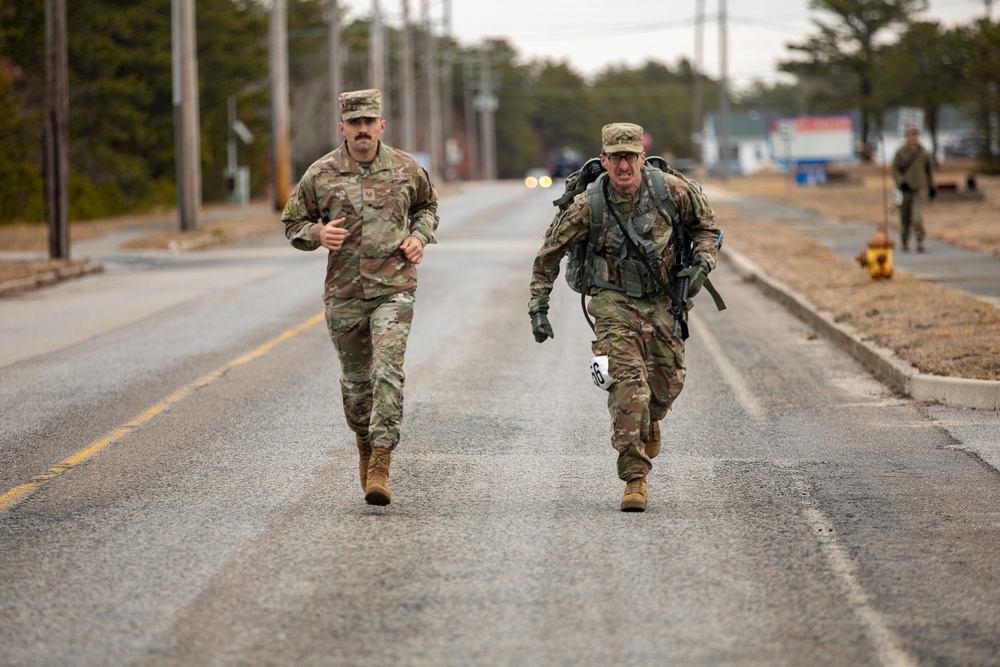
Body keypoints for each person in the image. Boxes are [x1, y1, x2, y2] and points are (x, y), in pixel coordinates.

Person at [528, 123, 723, 512]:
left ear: (639, 157)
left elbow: (707, 229)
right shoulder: (589, 204)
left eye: (629, 157)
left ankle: (651, 420)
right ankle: (634, 478)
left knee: (667, 385)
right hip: (612, 302)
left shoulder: (670, 190)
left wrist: (702, 264)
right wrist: (539, 306)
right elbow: (548, 254)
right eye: (615, 158)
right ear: (604, 160)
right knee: (628, 386)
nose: (623, 166)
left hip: (663, 300)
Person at [282, 88, 439, 506]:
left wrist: (419, 237)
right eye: (355, 123)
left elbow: (428, 208)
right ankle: (365, 443)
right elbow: (292, 222)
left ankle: (382, 463)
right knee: (357, 388)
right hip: (345, 295)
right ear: (343, 128)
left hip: (394, 290)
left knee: (387, 372)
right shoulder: (320, 174)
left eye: (370, 122)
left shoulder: (407, 169)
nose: (363, 129)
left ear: (382, 125)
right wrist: (317, 234)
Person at [892, 124, 936, 252]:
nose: (913, 137)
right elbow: (895, 170)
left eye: (915, 135)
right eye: (911, 135)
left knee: (917, 216)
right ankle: (905, 240)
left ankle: (919, 240)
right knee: (905, 216)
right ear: (906, 137)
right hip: (905, 189)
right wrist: (901, 182)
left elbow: (929, 171)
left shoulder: (923, 152)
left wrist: (932, 188)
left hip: (920, 188)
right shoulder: (900, 152)